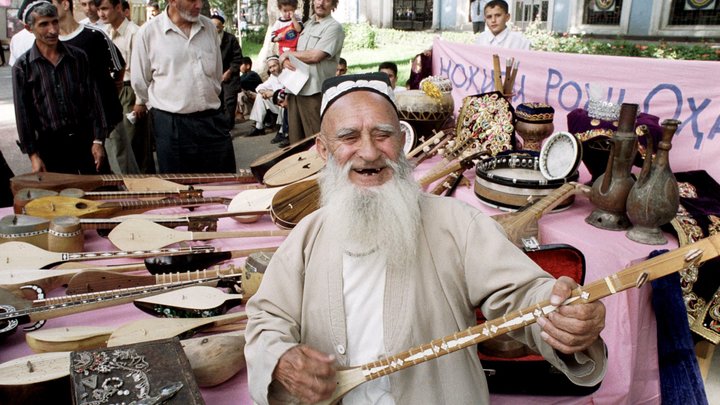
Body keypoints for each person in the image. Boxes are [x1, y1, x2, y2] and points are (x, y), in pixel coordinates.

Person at [244, 73, 607, 404]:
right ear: (324, 150)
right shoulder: (307, 236)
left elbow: (523, 297)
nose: (369, 152)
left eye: (383, 134)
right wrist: (280, 359)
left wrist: (560, 315)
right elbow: (267, 316)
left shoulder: (457, 224)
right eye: (349, 137)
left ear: (402, 141)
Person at [131, 0, 236, 174]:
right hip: (172, 126)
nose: (199, 5)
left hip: (212, 121)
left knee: (224, 181)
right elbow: (140, 82)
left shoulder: (209, 27)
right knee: (182, 189)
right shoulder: (148, 33)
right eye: (192, 0)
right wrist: (165, 107)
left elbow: (217, 73)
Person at [13, 1, 107, 174]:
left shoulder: (78, 57)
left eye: (55, 22)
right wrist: (33, 155)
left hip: (85, 142)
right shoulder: (23, 67)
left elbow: (94, 101)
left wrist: (98, 140)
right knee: (61, 198)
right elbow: (23, 115)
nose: (52, 30)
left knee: (97, 193)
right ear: (29, 28)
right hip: (51, 148)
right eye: (44, 24)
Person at [51, 0, 125, 174]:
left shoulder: (94, 35)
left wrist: (111, 93)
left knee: (123, 167)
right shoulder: (51, 43)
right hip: (78, 126)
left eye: (51, 3)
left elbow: (118, 66)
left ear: (65, 4)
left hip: (108, 118)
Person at [97, 0, 154, 174]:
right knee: (118, 143)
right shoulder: (105, 32)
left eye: (105, 9)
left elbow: (142, 69)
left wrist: (140, 100)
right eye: (99, 9)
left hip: (131, 90)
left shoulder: (135, 33)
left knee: (135, 144)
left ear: (119, 8)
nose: (101, 14)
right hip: (115, 89)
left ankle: (144, 183)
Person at [279, 0, 344, 144]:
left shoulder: (334, 28)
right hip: (295, 89)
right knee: (296, 142)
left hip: (313, 92)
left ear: (334, 5)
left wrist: (288, 54)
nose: (320, 3)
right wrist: (285, 59)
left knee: (316, 142)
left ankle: (322, 168)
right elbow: (294, 50)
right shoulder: (307, 24)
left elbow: (315, 56)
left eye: (326, 0)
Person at [211, 14, 243, 129]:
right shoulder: (207, 39)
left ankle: (228, 128)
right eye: (212, 26)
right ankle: (219, 128)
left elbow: (237, 58)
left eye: (217, 26)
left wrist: (229, 72)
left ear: (222, 26)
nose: (215, 29)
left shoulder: (230, 39)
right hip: (214, 77)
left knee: (229, 102)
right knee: (216, 103)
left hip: (230, 76)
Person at [248, 55, 285, 137]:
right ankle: (259, 127)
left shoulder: (286, 73)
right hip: (277, 105)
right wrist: (263, 92)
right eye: (270, 67)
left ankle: (283, 131)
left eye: (274, 66)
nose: (272, 69)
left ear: (280, 64)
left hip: (287, 104)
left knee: (283, 99)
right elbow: (259, 87)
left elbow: (286, 90)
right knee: (259, 96)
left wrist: (272, 93)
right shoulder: (273, 77)